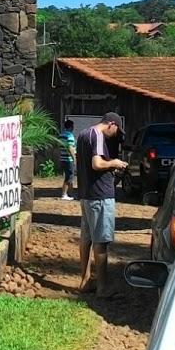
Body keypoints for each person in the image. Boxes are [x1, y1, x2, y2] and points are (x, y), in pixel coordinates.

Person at [75, 112, 128, 298]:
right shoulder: (97, 135)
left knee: (86, 239)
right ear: (111, 124)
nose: (115, 134)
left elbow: (79, 161)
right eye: (116, 130)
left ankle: (85, 280)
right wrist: (115, 163)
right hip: (99, 196)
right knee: (101, 242)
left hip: (86, 195)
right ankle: (103, 287)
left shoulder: (82, 134)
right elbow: (97, 164)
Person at [58, 119, 77, 200]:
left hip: (62, 158)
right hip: (68, 159)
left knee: (70, 176)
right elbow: (70, 147)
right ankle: (64, 194)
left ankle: (71, 193)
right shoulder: (70, 136)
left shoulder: (61, 135)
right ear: (71, 126)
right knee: (69, 177)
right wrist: (74, 158)